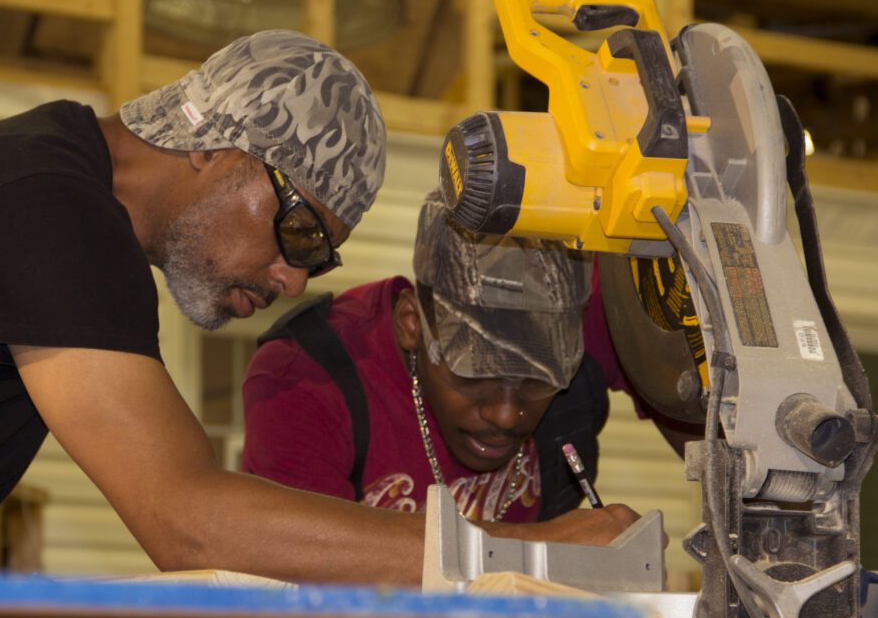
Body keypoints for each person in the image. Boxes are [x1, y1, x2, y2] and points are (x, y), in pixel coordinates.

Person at [0, 29, 637, 584]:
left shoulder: (46, 177)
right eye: (300, 229)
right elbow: (190, 524)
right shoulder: (51, 217)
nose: (291, 281)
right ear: (213, 143)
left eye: (319, 258)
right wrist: (530, 554)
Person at [242, 190, 642, 526]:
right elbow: (309, 582)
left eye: (538, 379)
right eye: (475, 373)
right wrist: (550, 548)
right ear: (412, 323)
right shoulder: (302, 383)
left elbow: (697, 416)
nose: (505, 415)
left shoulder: (590, 323)